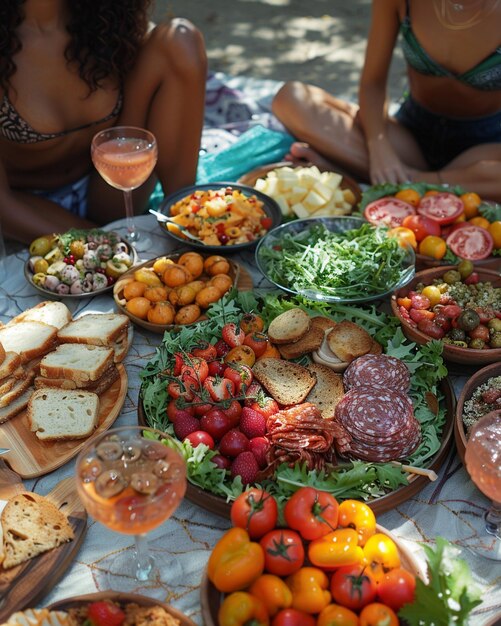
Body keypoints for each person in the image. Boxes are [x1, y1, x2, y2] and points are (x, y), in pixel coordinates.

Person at [0, 0, 207, 243]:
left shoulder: (109, 15)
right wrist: (103, 244)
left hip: (111, 185)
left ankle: (188, 223)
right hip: (24, 207)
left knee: (180, 41)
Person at [272, 0, 501, 201]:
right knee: (291, 99)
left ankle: (397, 179)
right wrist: (378, 146)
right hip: (412, 133)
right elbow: (372, 84)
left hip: (484, 147)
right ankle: (411, 182)